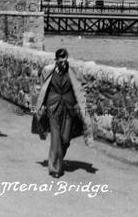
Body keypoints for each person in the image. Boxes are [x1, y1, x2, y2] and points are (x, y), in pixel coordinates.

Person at [32, 48, 93, 178]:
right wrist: (40, 105)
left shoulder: (73, 72)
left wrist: (81, 102)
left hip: (68, 108)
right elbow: (41, 88)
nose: (64, 63)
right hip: (53, 107)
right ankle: (55, 169)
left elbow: (82, 87)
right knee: (55, 138)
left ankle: (58, 158)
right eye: (61, 60)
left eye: (65, 60)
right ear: (56, 60)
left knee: (65, 138)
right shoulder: (48, 71)